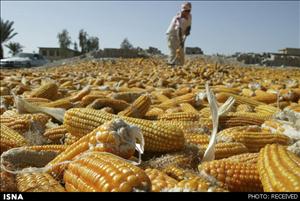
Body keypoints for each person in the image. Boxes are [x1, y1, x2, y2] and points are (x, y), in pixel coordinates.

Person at [166, 2, 192, 66]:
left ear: (190, 10)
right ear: (182, 10)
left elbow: (189, 26)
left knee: (182, 54)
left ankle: (180, 69)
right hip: (172, 35)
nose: (186, 12)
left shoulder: (190, 16)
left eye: (188, 11)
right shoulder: (178, 18)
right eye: (184, 11)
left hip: (180, 36)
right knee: (174, 52)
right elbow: (179, 30)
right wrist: (181, 41)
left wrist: (188, 31)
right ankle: (170, 67)